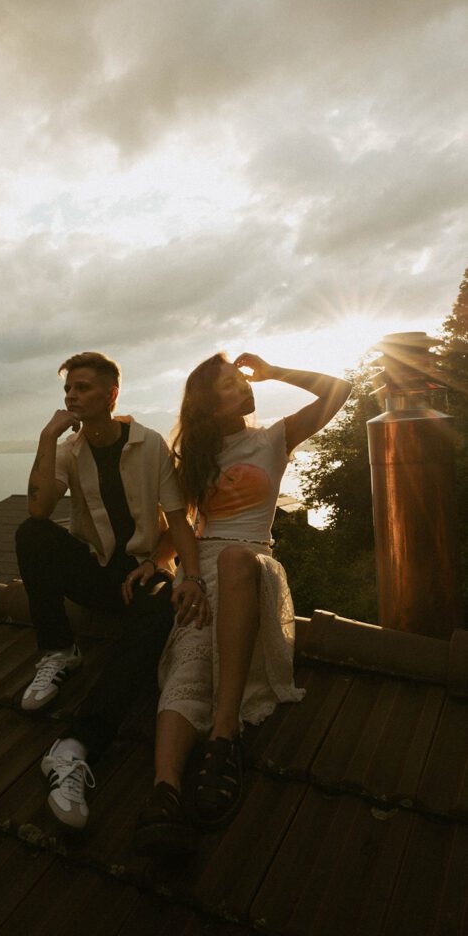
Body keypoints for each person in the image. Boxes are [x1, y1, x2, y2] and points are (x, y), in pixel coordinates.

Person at [134, 351, 351, 854]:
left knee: (233, 558)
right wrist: (156, 561)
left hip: (251, 566)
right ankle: (163, 790)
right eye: (228, 386)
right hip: (202, 572)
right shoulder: (196, 458)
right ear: (206, 408)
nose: (242, 388)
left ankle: (224, 740)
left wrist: (275, 371)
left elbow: (340, 389)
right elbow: (184, 524)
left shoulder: (271, 439)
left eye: (240, 380)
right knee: (189, 667)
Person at [15, 351, 203, 831]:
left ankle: (75, 746)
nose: (72, 396)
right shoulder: (68, 449)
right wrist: (46, 436)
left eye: (82, 388)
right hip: (96, 571)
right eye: (68, 390)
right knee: (31, 534)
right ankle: (58, 651)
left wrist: (189, 576)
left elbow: (179, 520)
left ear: (111, 394)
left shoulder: (149, 444)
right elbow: (38, 508)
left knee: (161, 608)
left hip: (139, 573)